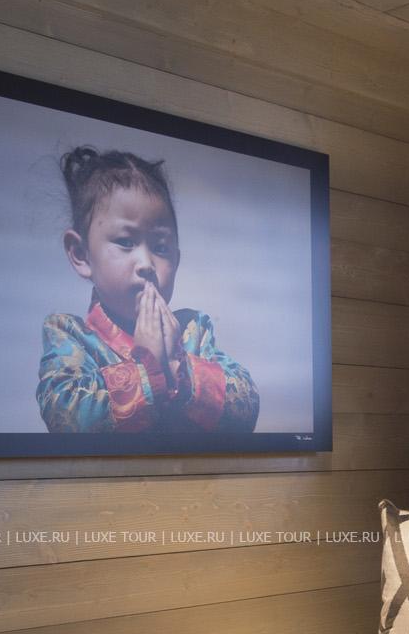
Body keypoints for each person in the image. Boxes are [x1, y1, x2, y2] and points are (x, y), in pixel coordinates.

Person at [37, 146, 259, 436]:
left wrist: (177, 367)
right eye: (126, 242)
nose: (146, 263)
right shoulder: (71, 335)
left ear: (177, 260)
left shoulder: (193, 331)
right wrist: (147, 369)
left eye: (160, 247)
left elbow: (246, 408)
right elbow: (65, 414)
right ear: (81, 254)